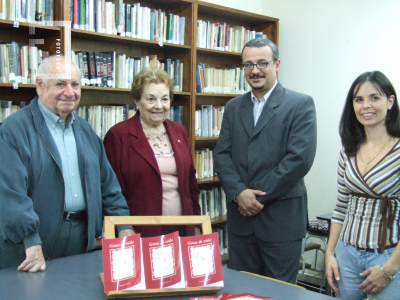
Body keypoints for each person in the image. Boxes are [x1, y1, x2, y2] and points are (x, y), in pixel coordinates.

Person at [0, 56, 134, 272]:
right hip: (33, 246)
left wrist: (124, 226)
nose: (70, 92)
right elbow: (9, 194)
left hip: (82, 240)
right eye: (60, 84)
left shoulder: (85, 130)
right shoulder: (13, 130)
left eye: (75, 84)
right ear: (40, 86)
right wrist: (30, 240)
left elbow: (108, 186)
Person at [213, 38, 317, 284]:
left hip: (280, 221)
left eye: (262, 63)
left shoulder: (300, 104)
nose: (255, 70)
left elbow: (299, 160)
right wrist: (239, 192)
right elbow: (222, 154)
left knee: (280, 293)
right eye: (248, 65)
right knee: (242, 290)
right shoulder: (233, 107)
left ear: (277, 64)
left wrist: (254, 197)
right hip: (242, 222)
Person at [325, 71, 400, 300]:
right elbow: (340, 207)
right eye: (359, 100)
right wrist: (330, 253)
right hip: (346, 254)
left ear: (390, 101)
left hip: (387, 255)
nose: (366, 105)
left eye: (374, 98)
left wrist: (389, 269)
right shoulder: (348, 151)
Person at [103, 67, 200, 237]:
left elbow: (191, 182)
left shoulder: (179, 131)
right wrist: (122, 226)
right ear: (137, 101)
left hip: (183, 228)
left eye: (164, 99)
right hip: (140, 231)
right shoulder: (118, 135)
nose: (159, 106)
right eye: (151, 99)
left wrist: (197, 223)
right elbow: (111, 190)